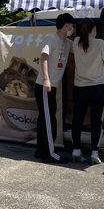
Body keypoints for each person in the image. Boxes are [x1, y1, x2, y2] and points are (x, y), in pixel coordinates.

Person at [71, 18, 104, 164]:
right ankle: (94, 153)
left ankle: (76, 150)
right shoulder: (99, 43)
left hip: (80, 87)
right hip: (97, 88)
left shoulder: (76, 42)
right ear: (93, 30)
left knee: (78, 119)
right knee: (97, 121)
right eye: (95, 29)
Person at [34, 12, 75, 163]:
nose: (72, 28)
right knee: (49, 120)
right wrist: (46, 79)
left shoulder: (67, 42)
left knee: (44, 119)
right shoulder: (51, 39)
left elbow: (79, 48)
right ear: (66, 26)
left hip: (52, 87)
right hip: (45, 86)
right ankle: (51, 154)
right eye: (71, 26)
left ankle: (40, 151)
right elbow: (44, 57)